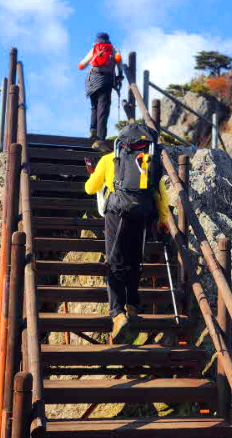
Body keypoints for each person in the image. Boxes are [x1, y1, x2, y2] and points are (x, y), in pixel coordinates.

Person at [84, 122, 171, 344]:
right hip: (142, 214)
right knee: (133, 261)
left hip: (117, 213)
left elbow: (90, 188)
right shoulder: (149, 160)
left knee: (115, 263)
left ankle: (117, 314)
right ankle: (132, 305)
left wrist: (95, 176)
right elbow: (160, 193)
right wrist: (163, 220)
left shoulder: (109, 159)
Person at [78, 32, 123, 150]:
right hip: (106, 80)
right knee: (103, 110)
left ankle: (93, 131)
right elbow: (119, 62)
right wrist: (120, 74)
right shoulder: (114, 49)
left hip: (92, 80)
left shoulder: (94, 49)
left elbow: (81, 65)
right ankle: (100, 139)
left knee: (94, 107)